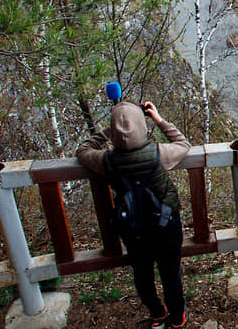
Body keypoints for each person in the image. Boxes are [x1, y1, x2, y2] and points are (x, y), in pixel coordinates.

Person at [77, 101, 191, 329]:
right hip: (165, 225)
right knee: (170, 274)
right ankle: (177, 319)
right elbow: (183, 143)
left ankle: (158, 314)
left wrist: (111, 130)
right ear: (142, 126)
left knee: (142, 273)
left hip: (133, 228)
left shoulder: (106, 161)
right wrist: (158, 120)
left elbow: (82, 151)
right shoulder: (159, 153)